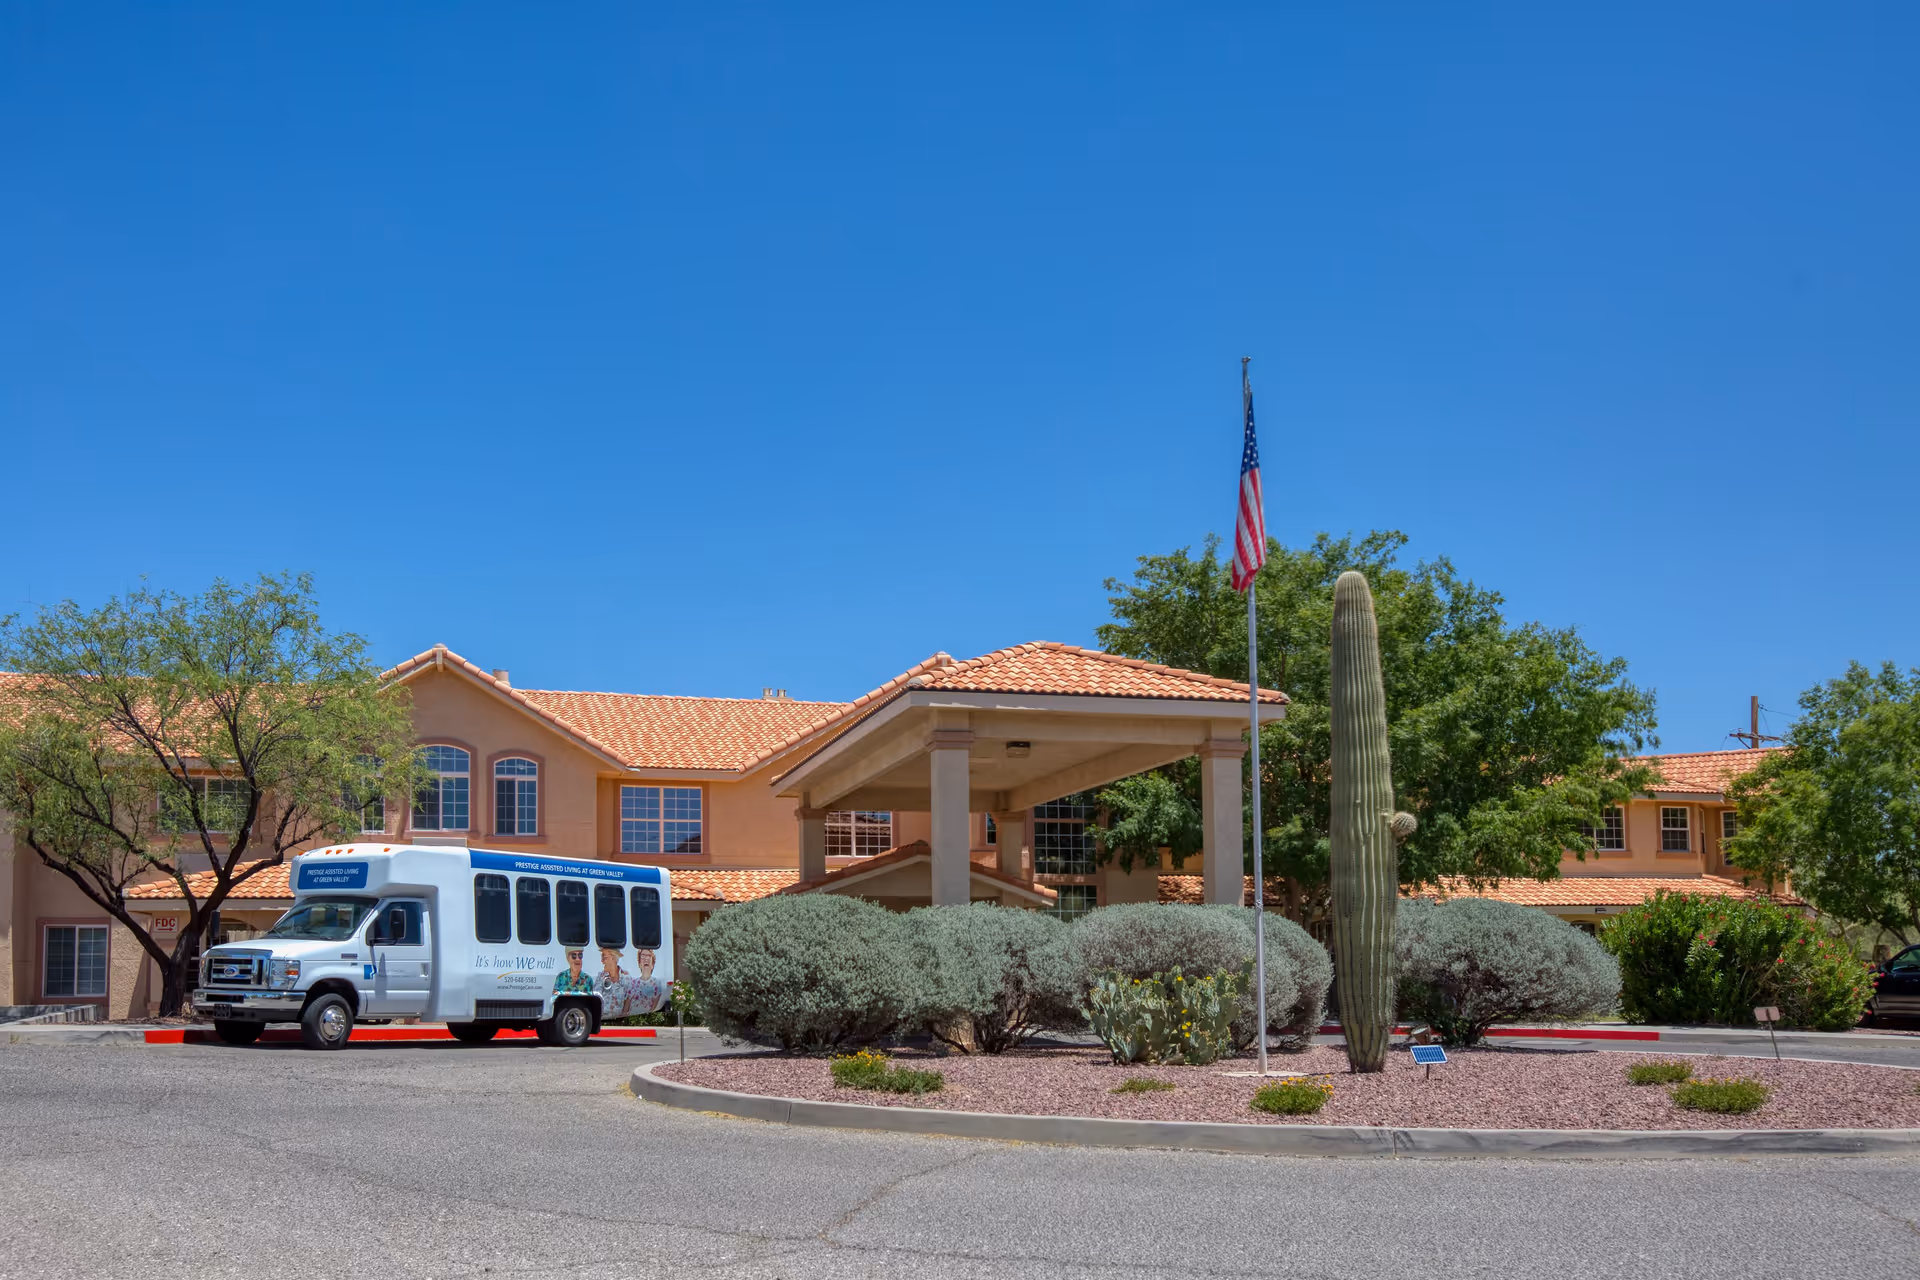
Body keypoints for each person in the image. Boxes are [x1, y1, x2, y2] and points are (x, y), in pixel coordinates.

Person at [623, 946, 665, 1014]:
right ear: (639, 964)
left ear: (652, 964)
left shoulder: (657, 984)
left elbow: (654, 1009)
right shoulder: (631, 983)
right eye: (643, 956)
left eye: (648, 956)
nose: (646, 959)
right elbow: (625, 1009)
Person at [595, 945, 629, 1017]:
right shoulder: (601, 977)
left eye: (604, 957)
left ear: (613, 958)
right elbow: (595, 999)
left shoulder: (625, 977)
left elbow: (629, 999)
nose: (602, 961)